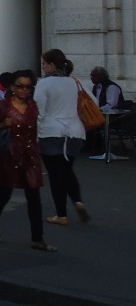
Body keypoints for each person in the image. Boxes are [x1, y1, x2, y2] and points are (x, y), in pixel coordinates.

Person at [0, 68, 56, 251]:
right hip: (9, 155)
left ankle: (38, 239)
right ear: (12, 87)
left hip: (30, 156)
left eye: (28, 87)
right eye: (20, 86)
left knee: (34, 197)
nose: (24, 90)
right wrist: (2, 124)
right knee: (4, 195)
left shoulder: (34, 106)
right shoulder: (2, 107)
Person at [35, 48, 89, 225]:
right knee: (67, 170)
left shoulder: (44, 84)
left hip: (51, 132)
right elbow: (93, 102)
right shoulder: (75, 82)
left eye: (44, 64)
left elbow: (39, 111)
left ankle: (61, 215)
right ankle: (78, 201)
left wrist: (35, 133)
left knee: (55, 174)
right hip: (75, 132)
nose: (42, 67)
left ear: (51, 65)